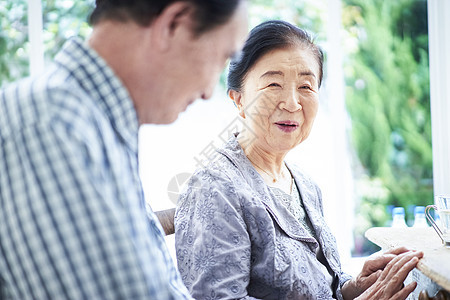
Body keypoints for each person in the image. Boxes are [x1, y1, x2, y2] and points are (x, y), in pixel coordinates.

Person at [0, 0, 248, 299]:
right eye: (222, 56)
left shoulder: (92, 127)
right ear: (173, 23)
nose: (210, 91)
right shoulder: (51, 126)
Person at [174, 20, 423, 300]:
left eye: (306, 86)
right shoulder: (213, 189)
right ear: (239, 99)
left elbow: (319, 290)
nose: (292, 103)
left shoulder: (304, 184)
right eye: (273, 84)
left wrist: (353, 289)